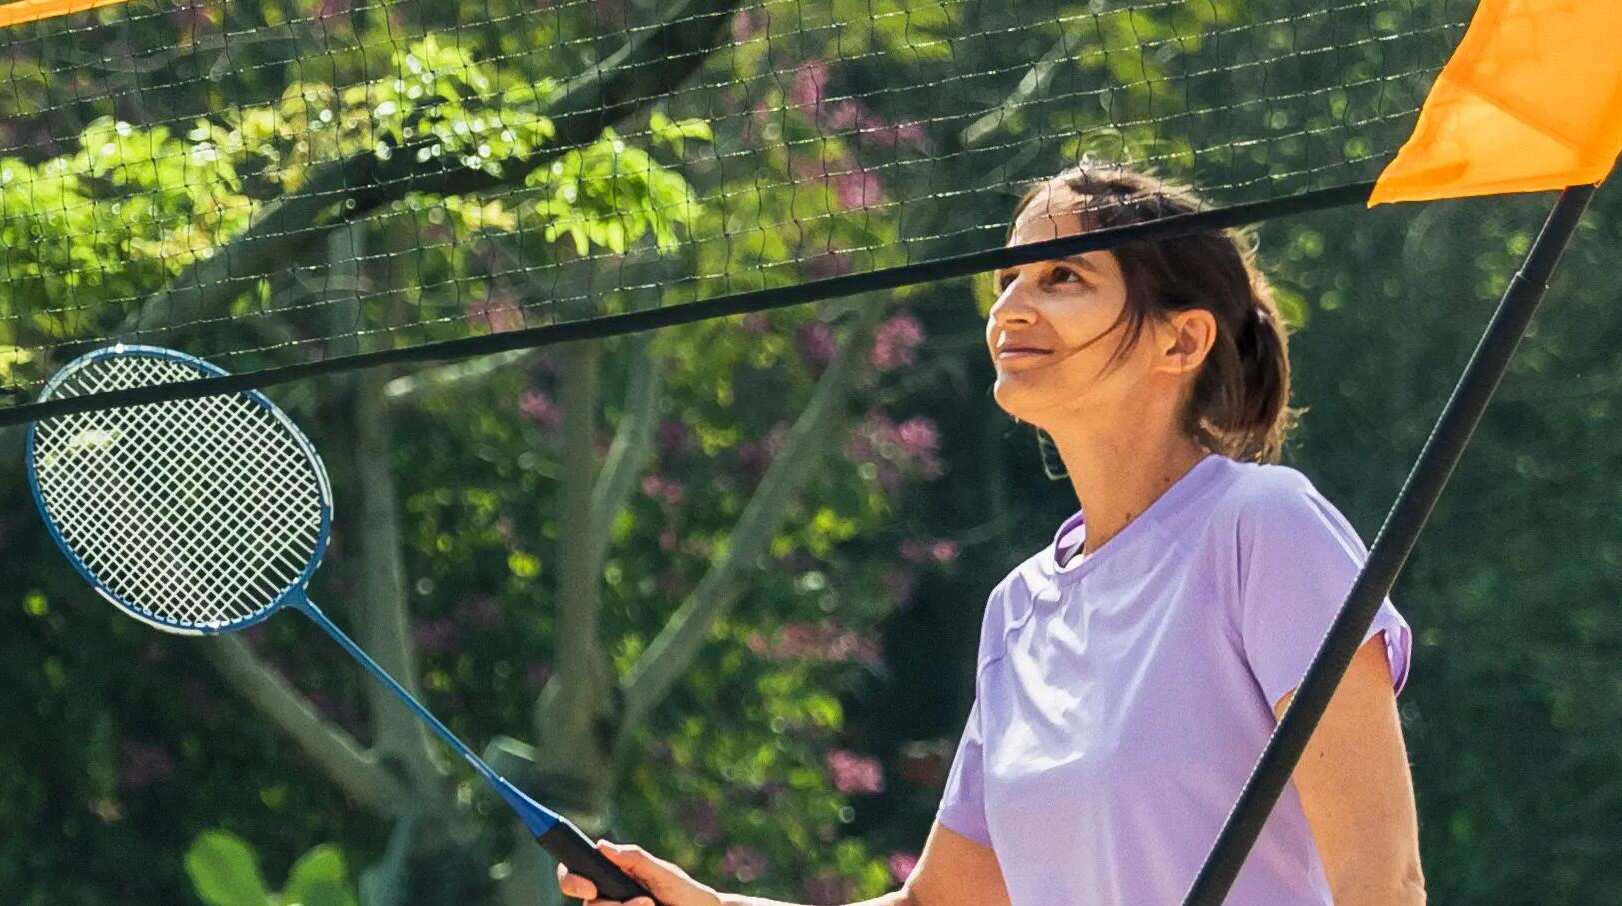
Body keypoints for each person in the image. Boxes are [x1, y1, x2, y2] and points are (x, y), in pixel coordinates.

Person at [560, 162, 1428, 906]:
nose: (1011, 306)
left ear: (1182, 341)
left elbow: (1381, 881)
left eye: (1063, 278)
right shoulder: (1019, 607)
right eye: (1008, 278)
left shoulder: (1262, 526)